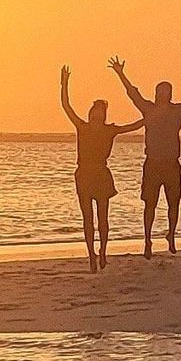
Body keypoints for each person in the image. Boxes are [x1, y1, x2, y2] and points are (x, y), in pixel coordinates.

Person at [110, 57, 181, 258]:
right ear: (156, 94)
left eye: (167, 91)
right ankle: (147, 240)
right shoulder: (148, 108)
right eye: (161, 91)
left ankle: (171, 235)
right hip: (153, 164)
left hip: (172, 164)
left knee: (174, 202)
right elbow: (132, 94)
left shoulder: (178, 110)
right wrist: (120, 73)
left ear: (171, 94)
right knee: (150, 204)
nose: (164, 94)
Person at [59, 64, 139, 271]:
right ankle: (91, 255)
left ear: (103, 114)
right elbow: (66, 106)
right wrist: (64, 84)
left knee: (103, 217)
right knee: (88, 218)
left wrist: (151, 114)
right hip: (84, 173)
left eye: (100, 112)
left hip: (102, 174)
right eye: (94, 112)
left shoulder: (109, 130)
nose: (97, 115)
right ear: (90, 113)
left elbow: (134, 126)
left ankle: (103, 251)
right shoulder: (82, 127)